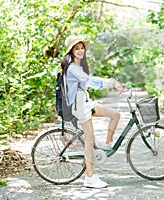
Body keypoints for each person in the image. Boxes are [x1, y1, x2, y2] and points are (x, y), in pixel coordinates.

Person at [60, 35, 125, 188]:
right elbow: (91, 81)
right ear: (71, 51)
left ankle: (108, 147)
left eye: (82, 48)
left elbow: (87, 81)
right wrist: (113, 83)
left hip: (85, 102)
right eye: (77, 48)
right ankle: (90, 177)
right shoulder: (72, 68)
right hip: (79, 106)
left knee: (115, 114)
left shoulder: (79, 67)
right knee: (90, 140)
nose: (81, 50)